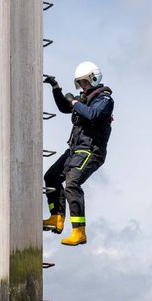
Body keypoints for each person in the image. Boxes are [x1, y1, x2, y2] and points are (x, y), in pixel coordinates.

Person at [42, 61, 114, 247]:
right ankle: (57, 218)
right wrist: (56, 89)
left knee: (72, 182)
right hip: (75, 149)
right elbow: (64, 108)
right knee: (51, 177)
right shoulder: (82, 99)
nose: (83, 86)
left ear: (94, 78)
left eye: (85, 82)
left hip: (92, 150)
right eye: (80, 83)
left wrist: (74, 102)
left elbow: (93, 114)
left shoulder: (104, 99)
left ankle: (79, 232)